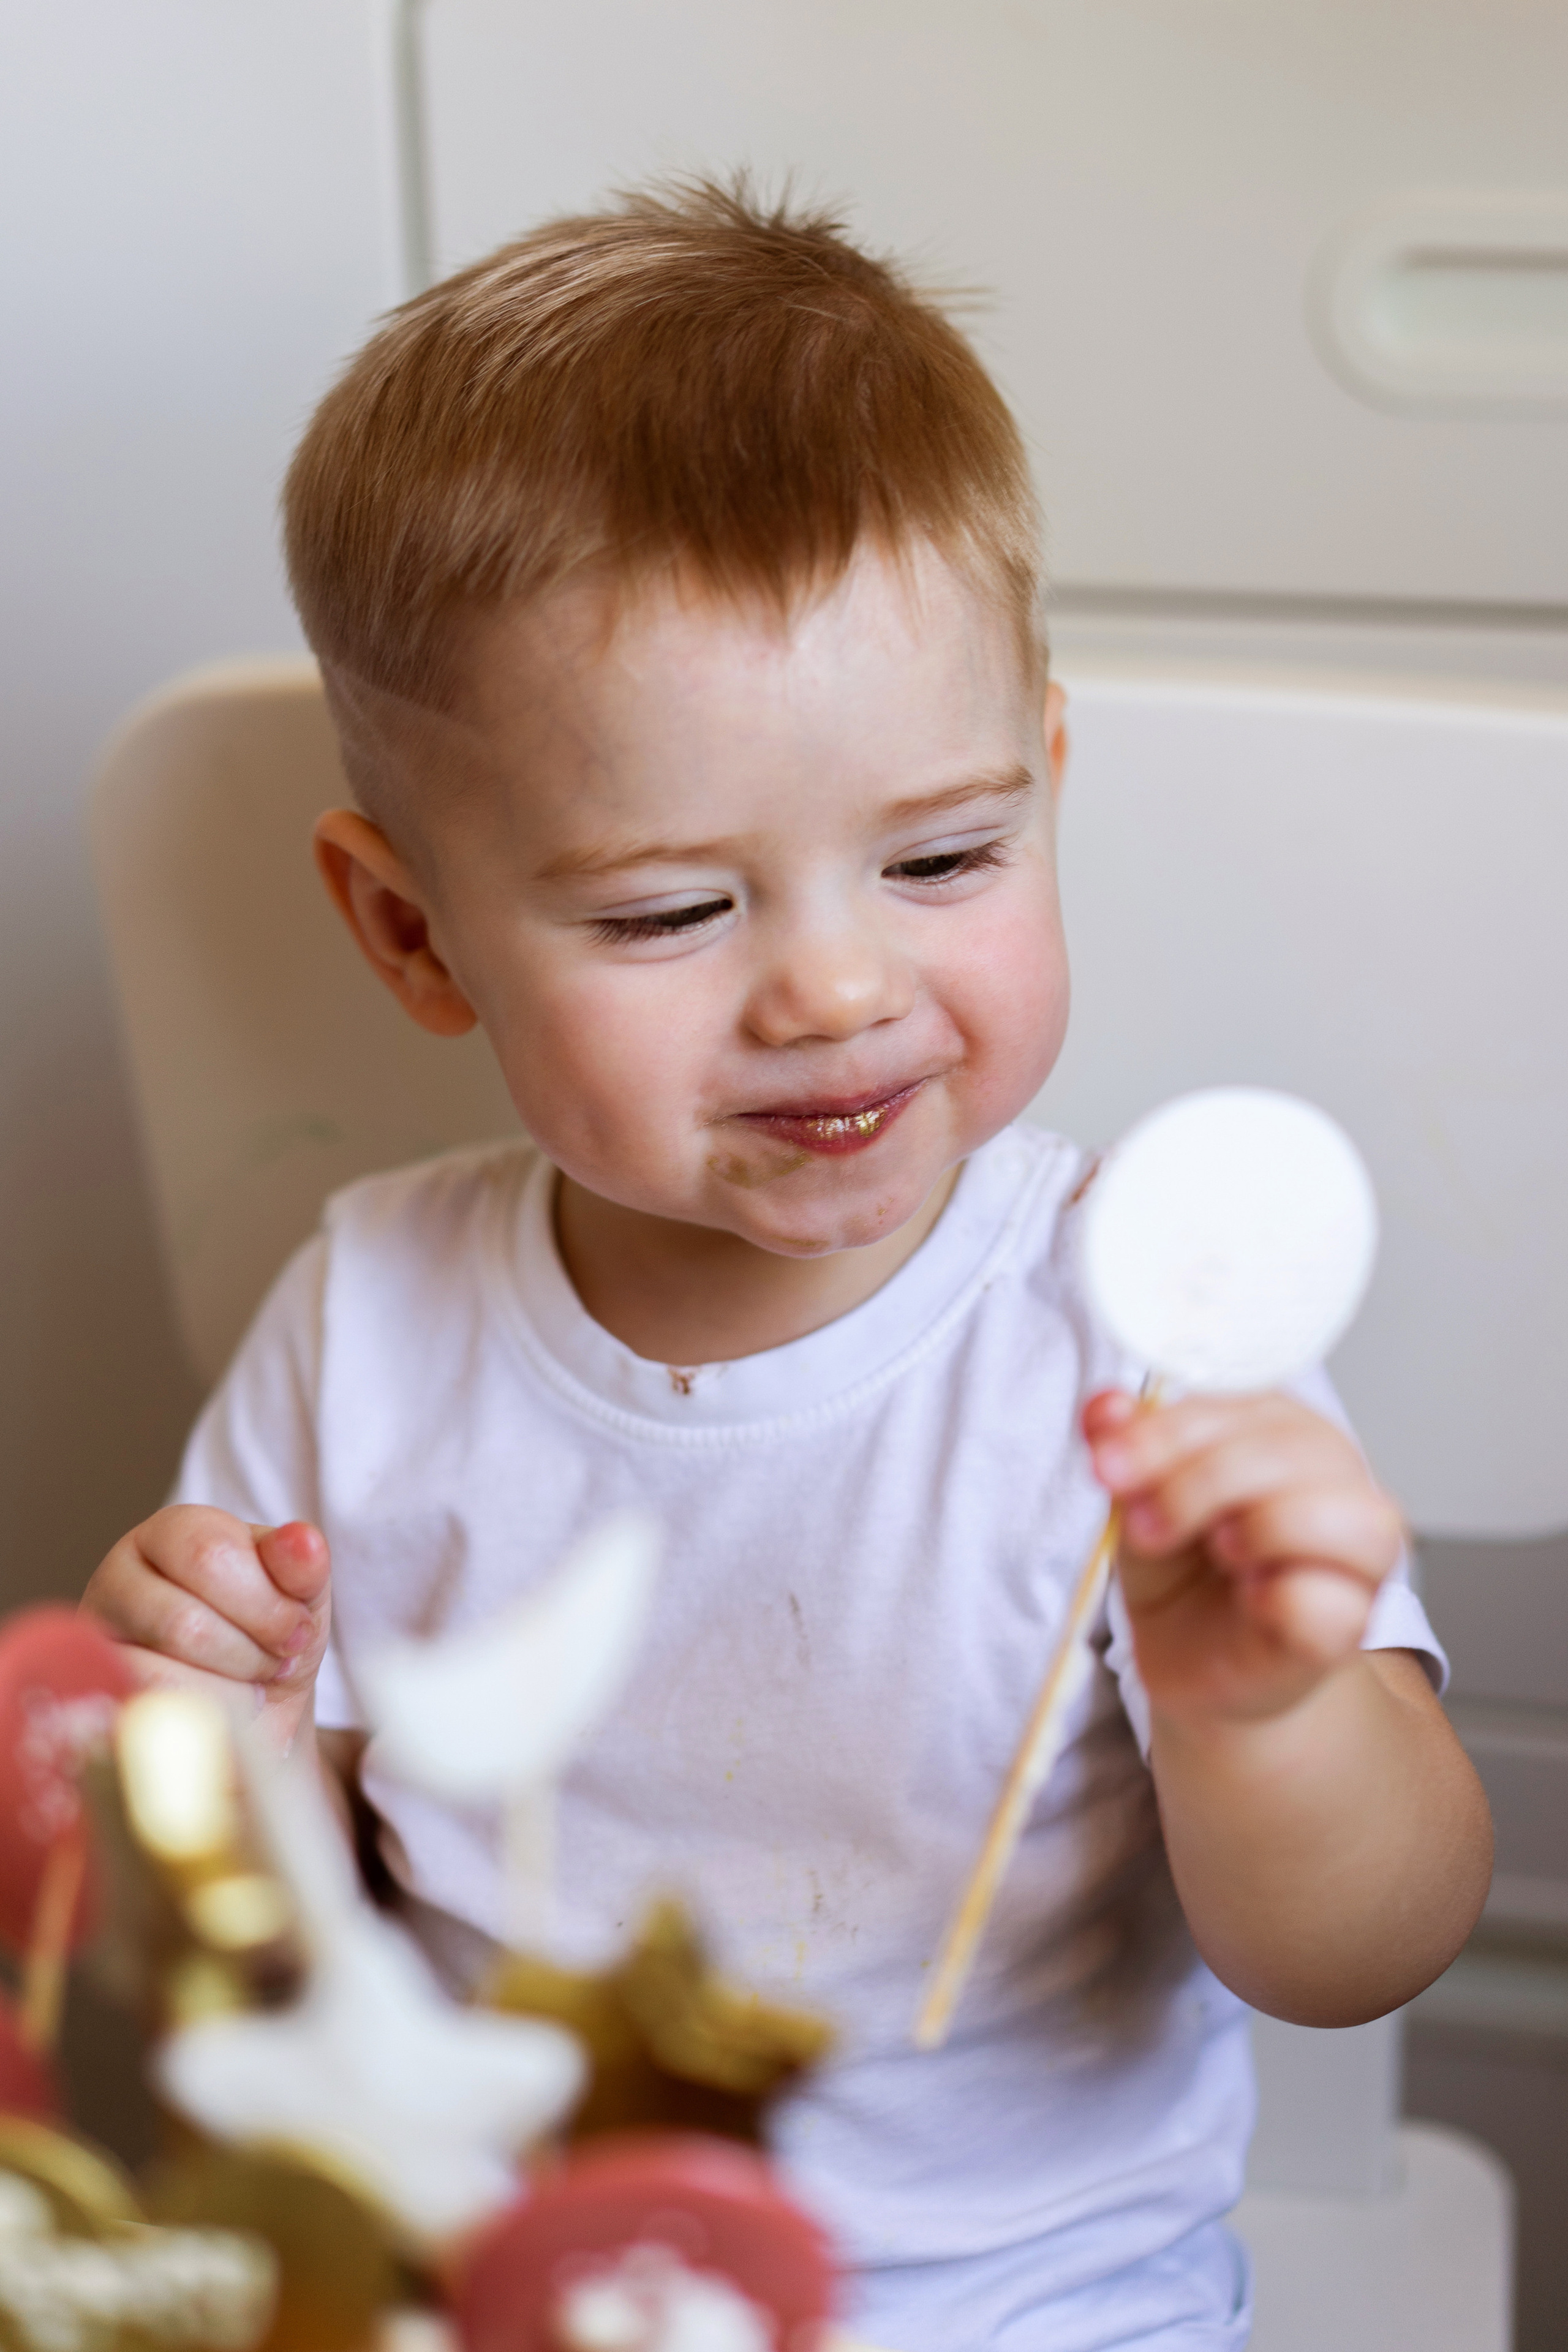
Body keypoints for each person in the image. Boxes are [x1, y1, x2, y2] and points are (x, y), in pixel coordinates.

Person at [84, 182, 1490, 2352]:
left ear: (1046, 785)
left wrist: (1275, 1715)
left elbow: (1362, 1953)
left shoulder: (1147, 1328)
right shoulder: (365, 1323)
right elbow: (252, 1998)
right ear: (412, 935)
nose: (835, 992)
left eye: (944, 857)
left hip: (1033, 2312)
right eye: (671, 912)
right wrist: (224, 1775)